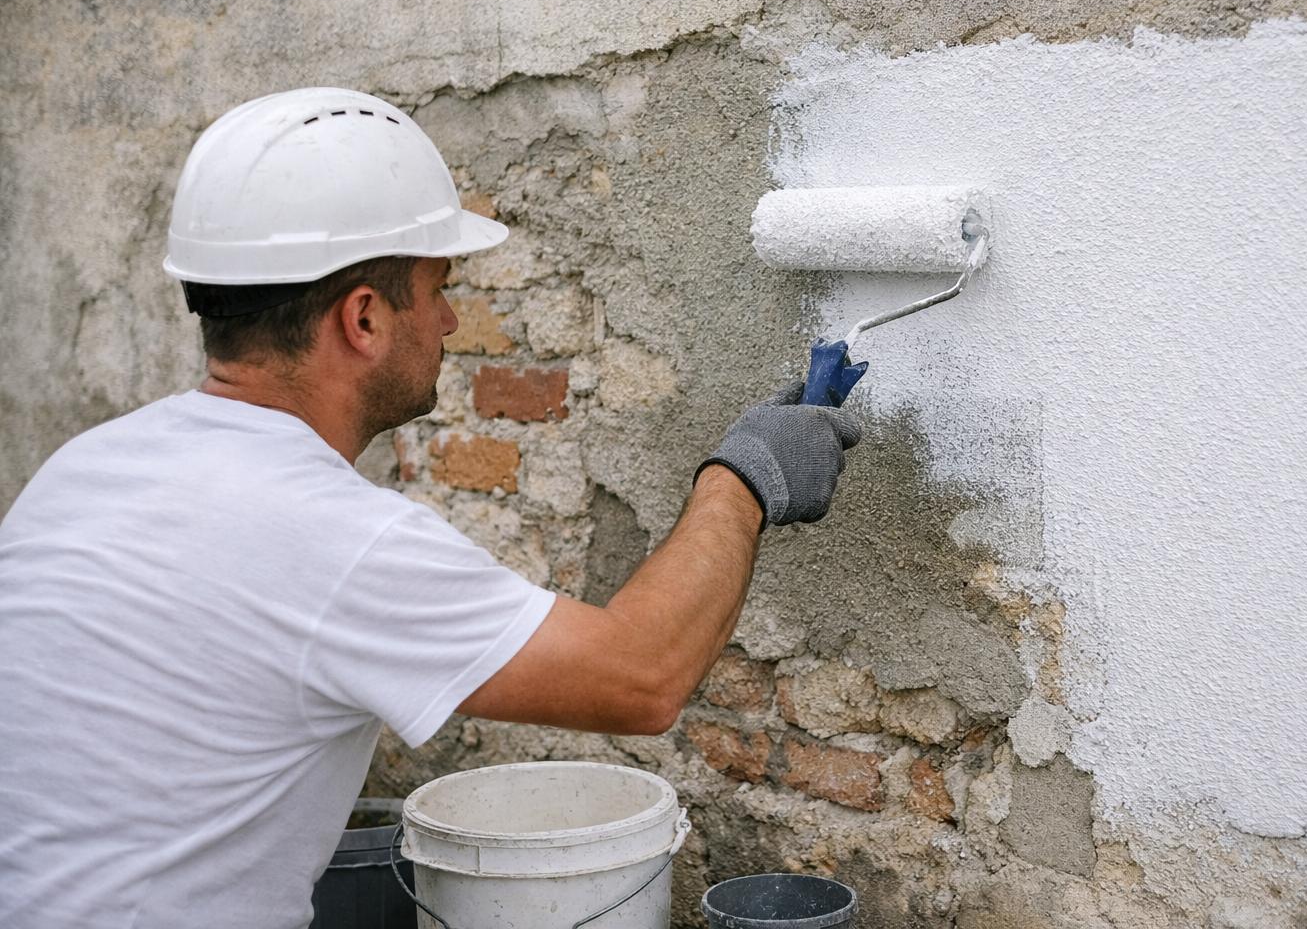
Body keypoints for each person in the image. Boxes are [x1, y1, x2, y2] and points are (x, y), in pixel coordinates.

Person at [0, 87, 862, 928]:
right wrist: (742, 481)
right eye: (439, 286)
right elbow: (641, 677)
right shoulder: (328, 538)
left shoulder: (84, 469)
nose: (450, 319)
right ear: (365, 319)